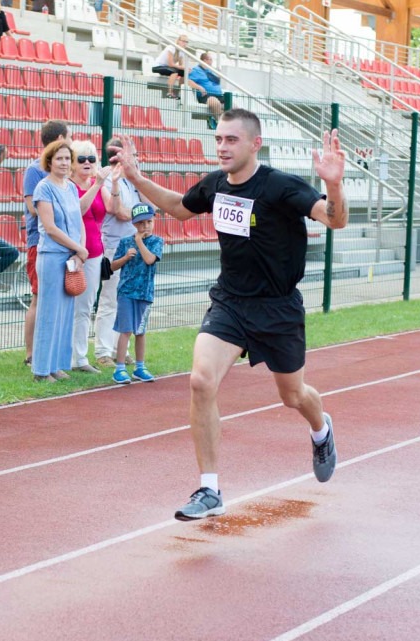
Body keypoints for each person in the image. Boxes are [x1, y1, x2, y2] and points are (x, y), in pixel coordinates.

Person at [111, 108, 349, 520]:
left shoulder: (280, 187)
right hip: (231, 304)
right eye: (219, 139)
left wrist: (333, 184)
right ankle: (209, 489)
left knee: (293, 395)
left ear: (255, 144)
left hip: (278, 308)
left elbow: (335, 220)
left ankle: (321, 429)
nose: (222, 147)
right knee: (201, 380)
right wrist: (135, 178)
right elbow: (180, 207)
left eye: (231, 140)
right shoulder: (216, 185)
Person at [31, 140, 87, 383]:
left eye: (67, 158)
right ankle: (41, 370)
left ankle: (57, 364)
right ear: (50, 161)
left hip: (70, 256)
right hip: (52, 256)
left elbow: (79, 221)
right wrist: (77, 248)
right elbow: (50, 228)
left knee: (65, 312)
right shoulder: (44, 188)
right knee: (49, 313)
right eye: (60, 159)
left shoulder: (72, 188)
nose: (64, 163)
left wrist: (79, 250)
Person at [22, 119, 69, 367]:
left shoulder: (65, 175)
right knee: (39, 297)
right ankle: (31, 354)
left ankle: (51, 352)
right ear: (60, 138)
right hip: (40, 242)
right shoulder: (34, 170)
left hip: (61, 242)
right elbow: (32, 208)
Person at [94, 137, 143, 369]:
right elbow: (119, 212)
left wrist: (139, 176)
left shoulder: (133, 181)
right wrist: (140, 214)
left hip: (134, 244)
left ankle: (118, 348)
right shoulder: (106, 180)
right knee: (109, 299)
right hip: (114, 246)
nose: (135, 158)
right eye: (131, 154)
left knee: (126, 300)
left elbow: (150, 205)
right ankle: (103, 350)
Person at [69, 140, 114, 374]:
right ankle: (73, 357)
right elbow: (79, 210)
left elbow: (114, 208)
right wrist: (97, 184)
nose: (87, 163)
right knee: (73, 307)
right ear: (73, 163)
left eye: (92, 159)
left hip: (96, 252)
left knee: (86, 306)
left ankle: (80, 357)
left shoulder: (97, 183)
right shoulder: (70, 186)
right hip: (76, 253)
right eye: (82, 159)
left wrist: (113, 182)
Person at [110, 203, 163, 384]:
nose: (145, 226)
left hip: (145, 293)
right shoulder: (125, 242)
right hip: (126, 292)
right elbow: (112, 265)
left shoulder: (157, 241)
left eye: (149, 222)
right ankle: (120, 368)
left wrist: (139, 242)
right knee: (126, 330)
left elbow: (149, 260)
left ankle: (140, 367)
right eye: (141, 223)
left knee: (140, 332)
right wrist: (125, 257)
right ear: (134, 224)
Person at [187, 52, 225, 130]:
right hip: (207, 96)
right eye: (209, 59)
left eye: (211, 59)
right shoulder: (196, 70)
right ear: (203, 60)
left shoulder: (210, 71)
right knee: (215, 103)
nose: (211, 61)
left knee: (233, 106)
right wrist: (199, 87)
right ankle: (219, 124)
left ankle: (228, 124)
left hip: (219, 95)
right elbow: (188, 81)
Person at [152, 35, 188, 99]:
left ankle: (180, 93)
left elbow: (180, 65)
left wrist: (185, 69)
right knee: (174, 71)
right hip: (158, 66)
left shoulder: (182, 51)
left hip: (168, 68)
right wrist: (182, 67)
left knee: (184, 72)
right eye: (183, 41)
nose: (184, 43)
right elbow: (170, 64)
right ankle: (169, 93)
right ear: (178, 41)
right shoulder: (171, 47)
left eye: (186, 42)